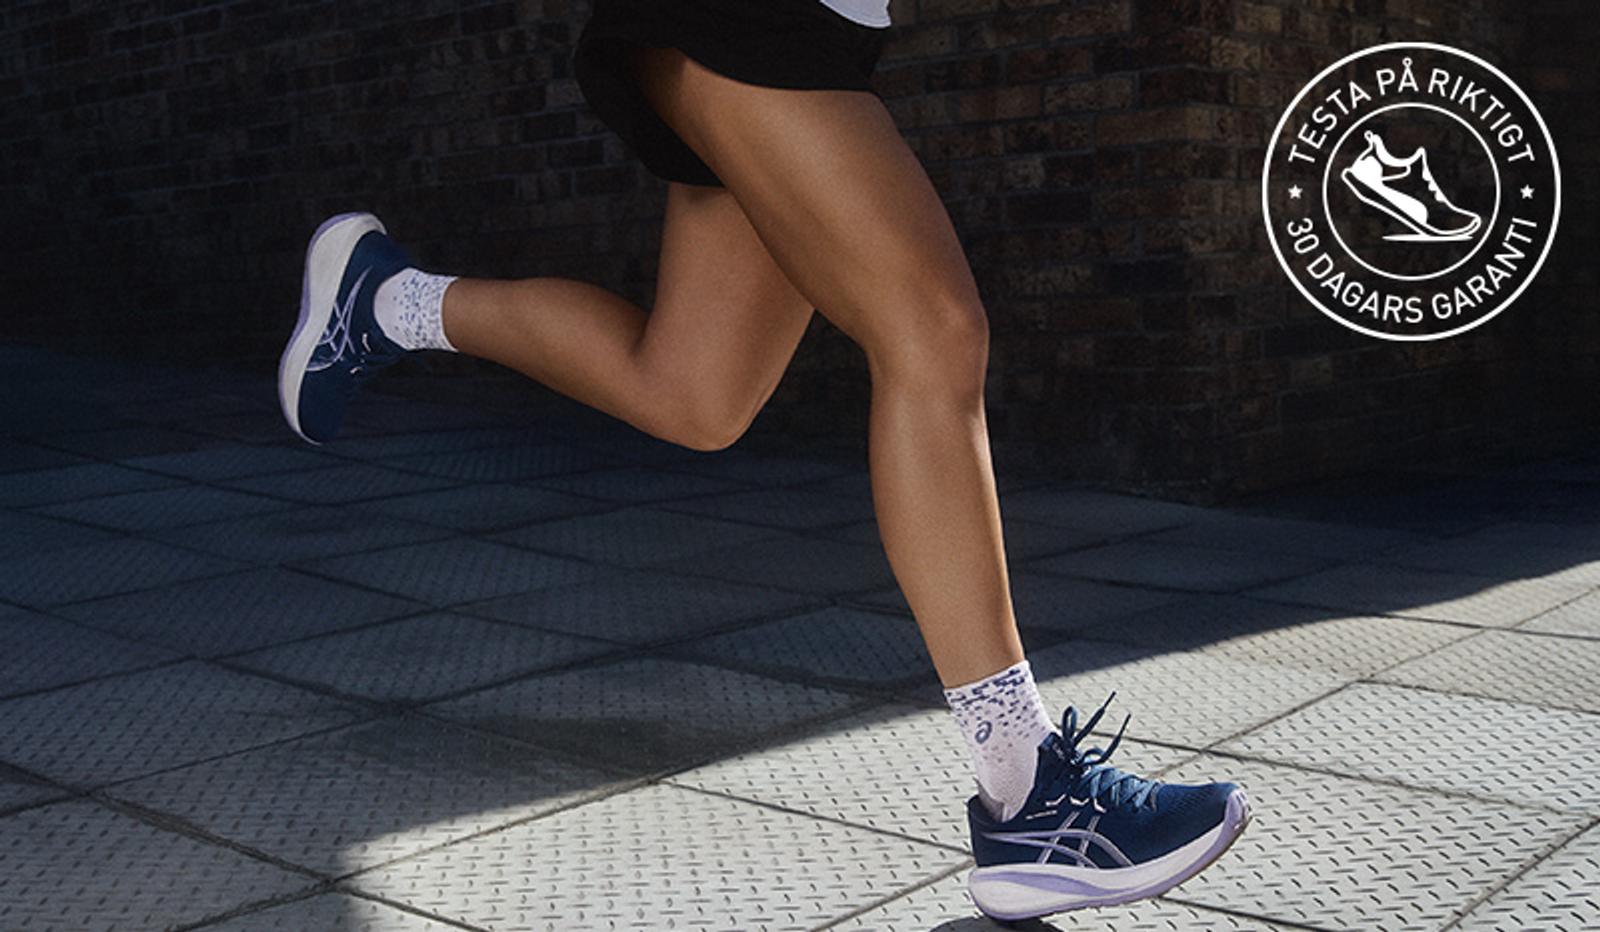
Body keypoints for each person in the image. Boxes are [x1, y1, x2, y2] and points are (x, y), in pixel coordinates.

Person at [275, 0, 1251, 920]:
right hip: (747, 18)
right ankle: (1026, 785)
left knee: (691, 391)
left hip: (812, 30)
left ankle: (383, 301)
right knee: (934, 334)